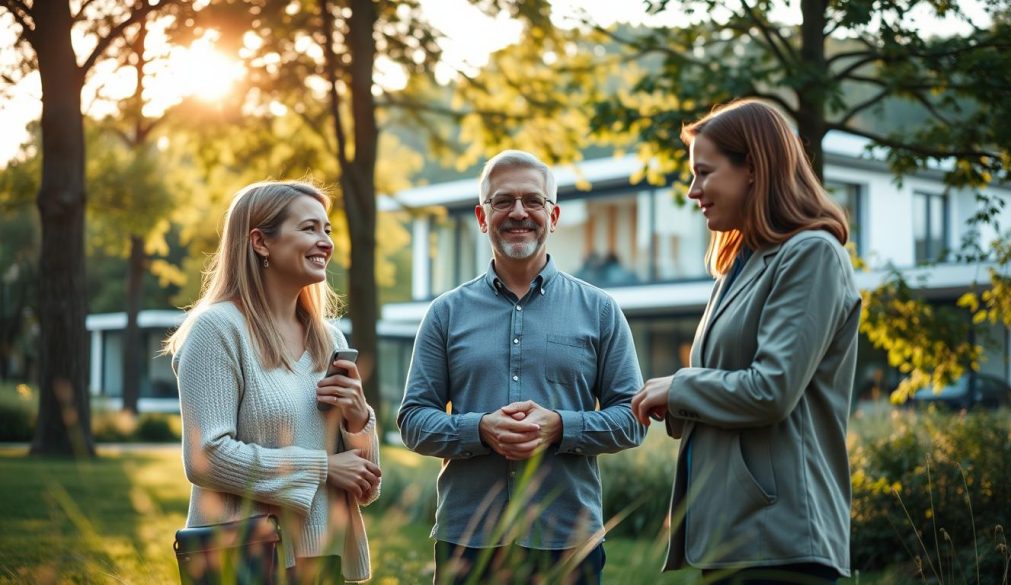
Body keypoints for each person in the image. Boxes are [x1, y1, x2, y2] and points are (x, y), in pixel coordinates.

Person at [631, 100, 861, 585]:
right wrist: (671, 402)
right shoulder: (739, 265)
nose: (693, 191)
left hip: (780, 540)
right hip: (731, 536)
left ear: (753, 169)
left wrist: (679, 389)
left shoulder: (811, 255)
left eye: (704, 173)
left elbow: (771, 390)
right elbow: (723, 388)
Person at [397, 150, 646, 585]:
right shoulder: (445, 313)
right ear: (481, 215)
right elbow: (414, 421)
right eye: (503, 201)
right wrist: (479, 430)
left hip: (568, 539)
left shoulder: (601, 311)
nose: (518, 213)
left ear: (553, 216)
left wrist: (561, 427)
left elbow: (632, 419)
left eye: (532, 201)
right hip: (468, 540)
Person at [164, 181, 381, 584]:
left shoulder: (330, 339)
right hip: (244, 555)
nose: (325, 242)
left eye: (328, 230)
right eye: (309, 228)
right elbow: (205, 456)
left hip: (323, 554)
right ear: (261, 242)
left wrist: (358, 419)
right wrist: (322, 468)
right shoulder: (217, 330)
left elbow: (364, 482)